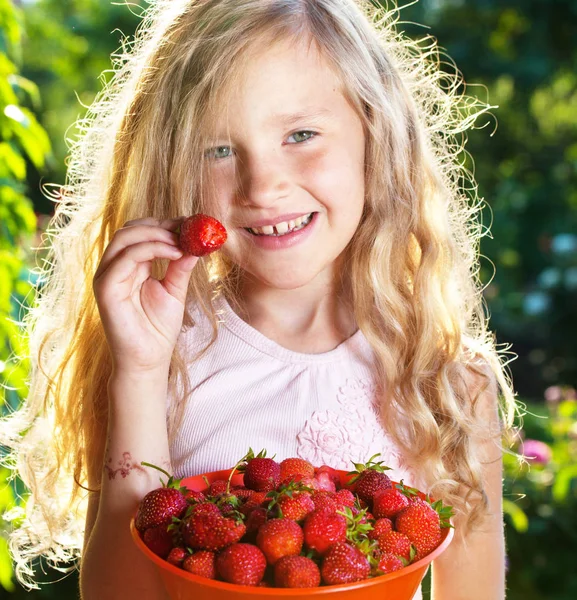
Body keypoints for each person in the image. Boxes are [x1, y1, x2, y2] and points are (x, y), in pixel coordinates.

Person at [0, 0, 522, 598]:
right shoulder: (162, 356)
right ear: (175, 166)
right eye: (219, 149)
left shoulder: (448, 383)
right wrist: (139, 374)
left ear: (377, 136)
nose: (263, 185)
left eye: (300, 134)